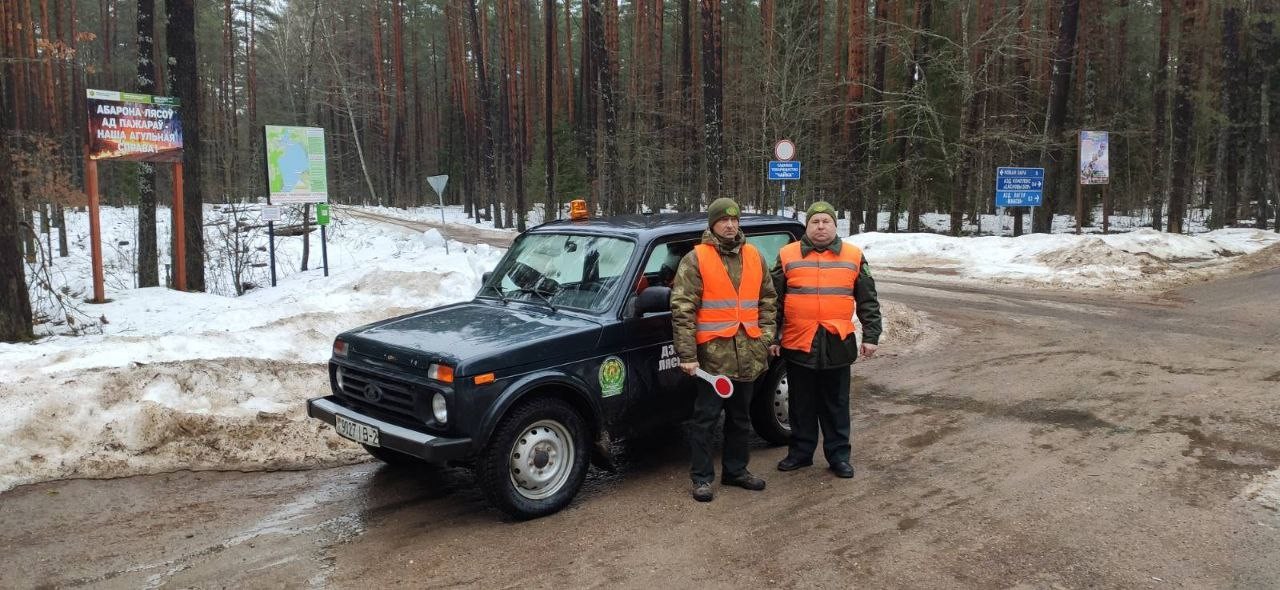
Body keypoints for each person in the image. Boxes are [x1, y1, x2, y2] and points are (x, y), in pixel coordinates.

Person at [671, 197, 778, 502]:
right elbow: (682, 309)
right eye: (723, 220)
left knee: (740, 418)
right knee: (705, 420)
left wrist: (766, 338)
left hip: (749, 354)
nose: (730, 225)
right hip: (712, 359)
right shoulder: (696, 259)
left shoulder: (754, 255)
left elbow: (768, 300)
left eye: (734, 220)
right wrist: (687, 355)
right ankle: (702, 478)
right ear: (713, 224)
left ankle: (736, 471)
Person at [770, 201, 882, 479]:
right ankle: (800, 453)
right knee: (800, 404)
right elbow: (774, 302)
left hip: (837, 343)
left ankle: (839, 457)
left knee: (836, 405)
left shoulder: (853, 256)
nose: (821, 227)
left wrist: (871, 335)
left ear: (834, 225)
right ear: (807, 225)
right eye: (815, 222)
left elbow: (868, 300)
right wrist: (772, 336)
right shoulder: (787, 255)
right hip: (798, 342)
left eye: (826, 221)